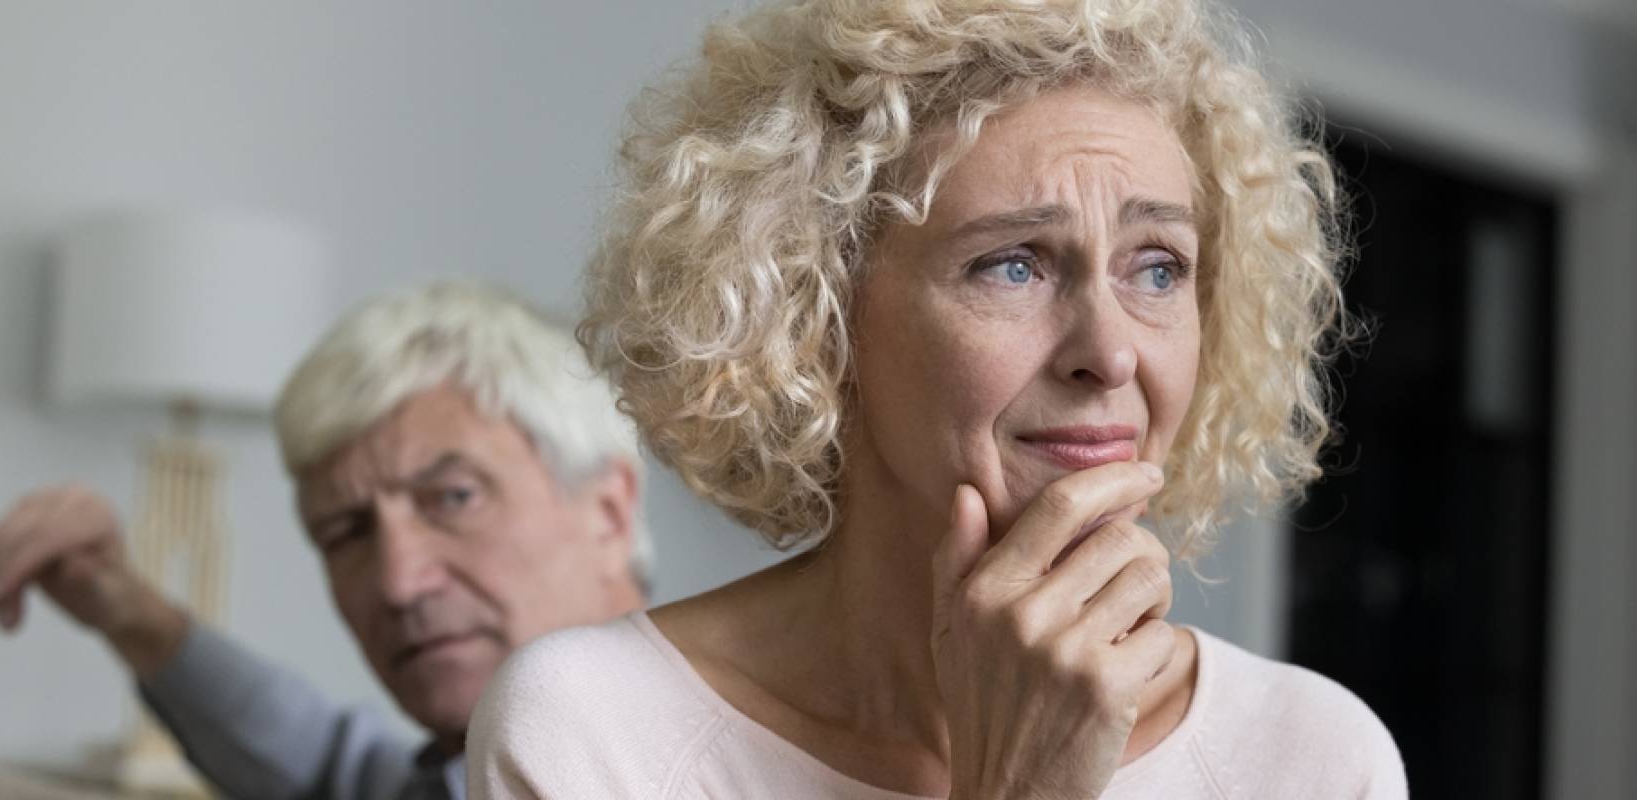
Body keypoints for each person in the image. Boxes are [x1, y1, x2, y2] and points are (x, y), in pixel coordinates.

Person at [466, 0, 1406, 797]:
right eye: (1014, 265)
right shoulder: (594, 732)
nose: (1112, 354)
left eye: (1158, 269)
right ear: (817, 311)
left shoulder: (1313, 758)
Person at [0, 282, 650, 800]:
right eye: (346, 531)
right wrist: (127, 613)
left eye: (454, 497)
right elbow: (327, 764)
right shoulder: (467, 772)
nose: (397, 581)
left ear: (608, 511)